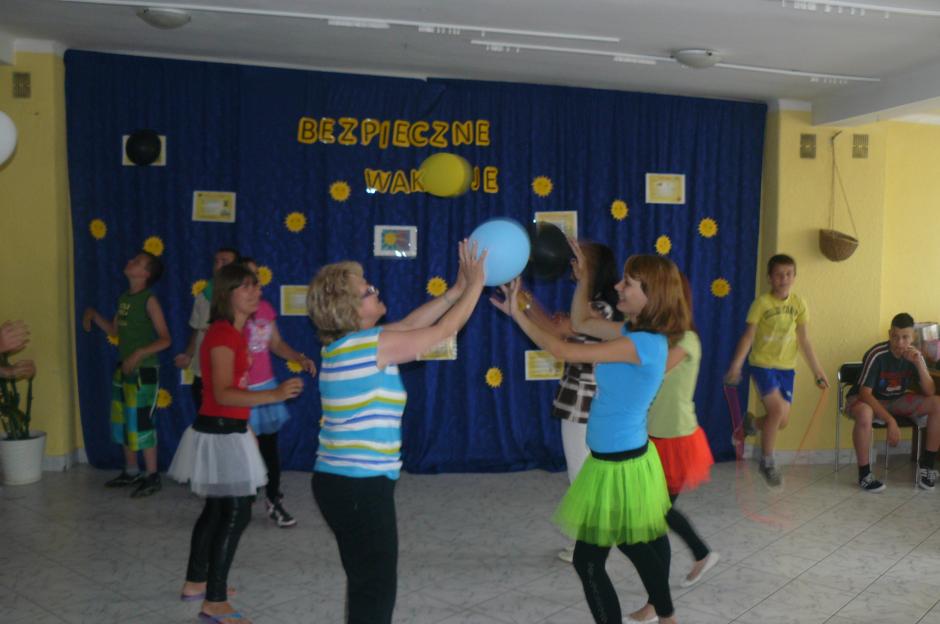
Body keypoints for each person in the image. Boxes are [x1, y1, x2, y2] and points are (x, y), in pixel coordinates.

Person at [499, 247, 688, 624]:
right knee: (632, 546)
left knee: (595, 559)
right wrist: (585, 276)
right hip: (615, 461)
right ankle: (667, 616)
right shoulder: (633, 332)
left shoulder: (641, 344)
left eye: (628, 283)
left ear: (651, 295)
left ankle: (666, 615)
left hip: (619, 466)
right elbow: (581, 321)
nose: (618, 286)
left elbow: (561, 348)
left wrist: (517, 313)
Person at [307, 239, 486, 624]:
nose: (376, 290)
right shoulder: (371, 346)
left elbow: (409, 325)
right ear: (350, 309)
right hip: (358, 487)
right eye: (367, 290)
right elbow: (444, 330)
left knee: (365, 582)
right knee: (376, 588)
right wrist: (476, 284)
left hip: (340, 484)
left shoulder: (348, 345)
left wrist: (456, 290)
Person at [169, 263, 303, 624]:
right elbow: (224, 393)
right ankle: (214, 601)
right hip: (219, 431)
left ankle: (196, 582)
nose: (256, 292)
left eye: (256, 286)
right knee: (236, 511)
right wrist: (274, 394)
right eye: (246, 287)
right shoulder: (223, 334)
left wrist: (247, 427)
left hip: (229, 428)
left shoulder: (234, 333)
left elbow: (232, 393)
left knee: (217, 509)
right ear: (227, 294)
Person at [490, 242, 622, 564]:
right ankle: (594, 536)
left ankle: (588, 543)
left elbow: (557, 332)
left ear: (592, 267)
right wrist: (522, 299)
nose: (571, 263)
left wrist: (522, 301)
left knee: (581, 473)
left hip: (584, 402)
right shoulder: (596, 304)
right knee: (586, 472)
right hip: (588, 401)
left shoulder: (598, 308)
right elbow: (555, 327)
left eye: (578, 259)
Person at [628, 275, 717, 622]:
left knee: (654, 519)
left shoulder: (687, 339)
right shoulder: (654, 337)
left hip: (677, 442)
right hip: (651, 439)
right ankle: (700, 553)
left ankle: (657, 604)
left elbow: (651, 371)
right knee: (656, 516)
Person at [724, 254, 829, 487]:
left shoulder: (799, 304)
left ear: (794, 277)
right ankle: (768, 461)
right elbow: (748, 336)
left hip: (786, 368)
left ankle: (751, 425)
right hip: (762, 365)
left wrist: (818, 371)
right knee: (778, 410)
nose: (784, 279)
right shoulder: (761, 304)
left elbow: (804, 340)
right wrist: (736, 365)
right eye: (779, 275)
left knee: (781, 420)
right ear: (770, 278)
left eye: (789, 274)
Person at [83, 251, 171, 498]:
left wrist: (139, 353)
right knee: (123, 421)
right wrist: (94, 315)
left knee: (142, 422)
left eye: (137, 262)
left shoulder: (149, 300)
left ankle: (152, 476)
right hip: (124, 370)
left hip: (144, 371)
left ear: (145, 274)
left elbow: (165, 339)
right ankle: (131, 471)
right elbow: (114, 330)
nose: (130, 261)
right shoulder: (123, 298)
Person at [241, 257, 317, 528]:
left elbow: (275, 343)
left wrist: (299, 357)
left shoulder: (265, 309)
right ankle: (241, 500)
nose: (254, 286)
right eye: (246, 280)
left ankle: (273, 498)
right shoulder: (228, 315)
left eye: (256, 279)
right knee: (242, 450)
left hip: (266, 388)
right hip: (240, 392)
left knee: (269, 449)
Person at [847, 312, 940, 491]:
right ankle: (864, 475)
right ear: (889, 334)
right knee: (865, 412)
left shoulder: (914, 356)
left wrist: (919, 364)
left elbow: (930, 391)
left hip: (894, 399)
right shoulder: (877, 354)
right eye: (895, 337)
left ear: (913, 337)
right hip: (864, 400)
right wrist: (890, 421)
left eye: (905, 337)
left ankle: (927, 467)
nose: (899, 343)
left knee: (937, 404)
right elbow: (865, 394)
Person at [175, 247, 240, 414]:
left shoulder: (241, 297)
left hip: (228, 375)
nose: (218, 266)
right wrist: (188, 354)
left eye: (224, 262)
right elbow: (197, 331)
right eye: (216, 261)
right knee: (204, 419)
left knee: (228, 421)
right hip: (202, 372)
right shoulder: (203, 295)